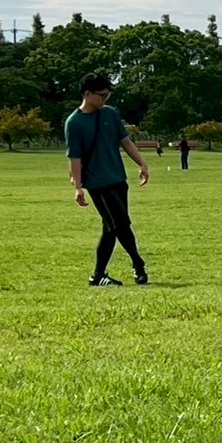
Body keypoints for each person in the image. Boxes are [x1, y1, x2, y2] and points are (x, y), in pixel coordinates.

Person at [65, 73, 151, 287]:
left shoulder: (110, 114)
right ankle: (138, 264)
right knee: (121, 223)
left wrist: (142, 163)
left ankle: (98, 275)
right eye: (102, 94)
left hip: (118, 178)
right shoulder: (74, 123)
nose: (106, 99)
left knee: (111, 228)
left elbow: (125, 141)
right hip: (97, 183)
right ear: (87, 94)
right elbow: (74, 158)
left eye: (108, 94)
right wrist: (78, 188)